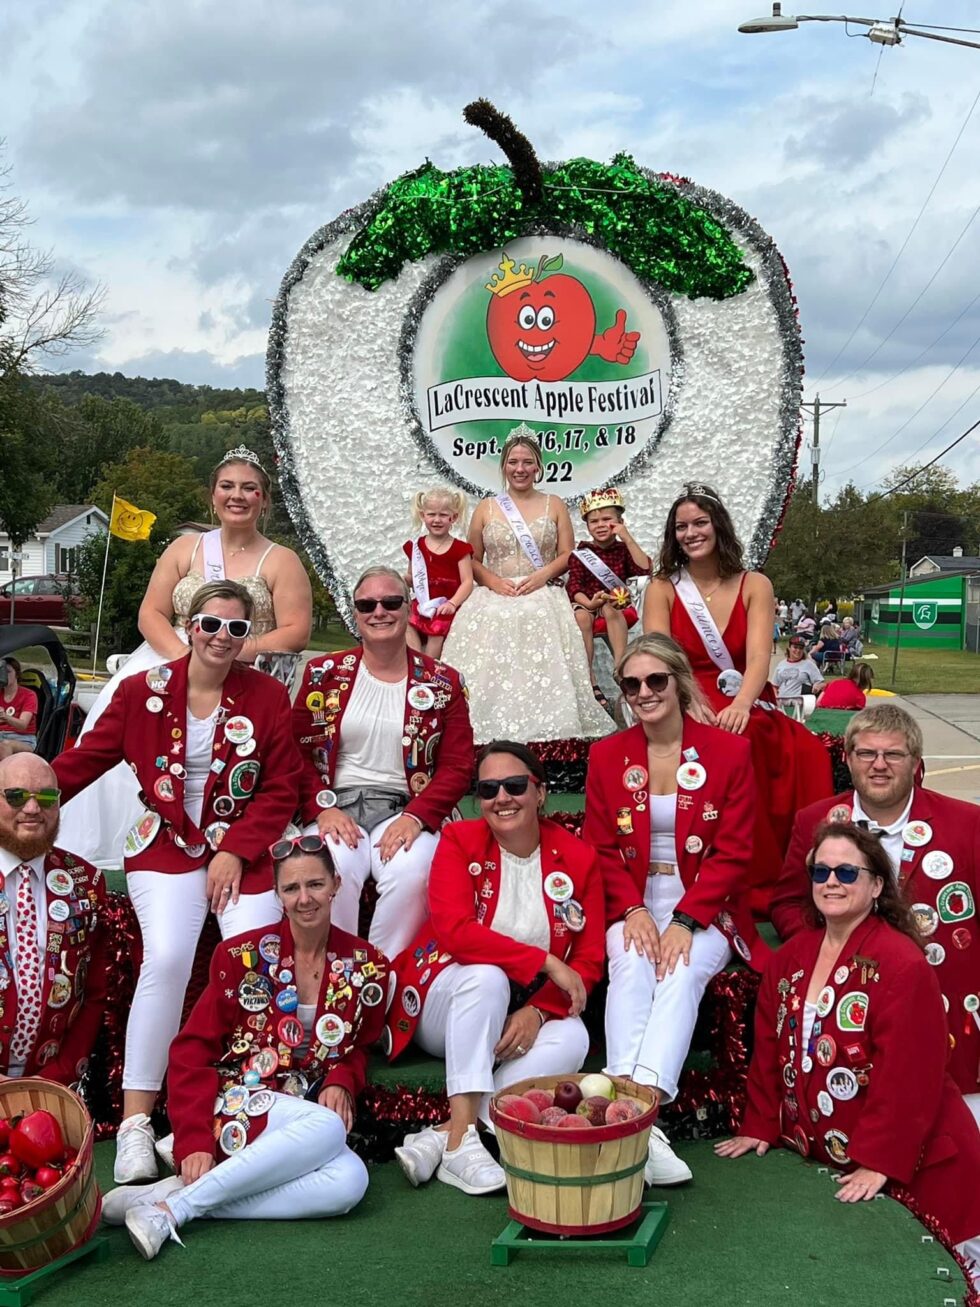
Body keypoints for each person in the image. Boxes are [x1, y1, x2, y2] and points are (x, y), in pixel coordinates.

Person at [53, 580, 302, 1184]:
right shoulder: (143, 691)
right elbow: (86, 760)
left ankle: (252, 1101)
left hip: (243, 848)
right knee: (165, 957)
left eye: (237, 629)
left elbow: (281, 786)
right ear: (190, 626)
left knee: (254, 956)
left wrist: (237, 851)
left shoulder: (267, 695)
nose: (222, 638)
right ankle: (138, 1124)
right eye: (211, 625)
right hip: (164, 844)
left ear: (248, 639)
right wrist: (25, 798)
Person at [717, 823, 980, 1291]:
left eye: (845, 871)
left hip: (923, 1170)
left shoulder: (902, 962)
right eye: (820, 871)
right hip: (840, 1161)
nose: (831, 881)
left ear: (877, 885)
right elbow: (768, 1050)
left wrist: (880, 1160)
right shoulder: (790, 956)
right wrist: (759, 1124)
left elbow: (910, 1077)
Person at [101, 835, 383, 1261]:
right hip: (240, 1102)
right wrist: (193, 1140)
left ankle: (176, 1201)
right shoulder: (241, 956)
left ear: (337, 885)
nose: (304, 899)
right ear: (277, 895)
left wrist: (343, 1078)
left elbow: (360, 1046)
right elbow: (190, 1050)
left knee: (350, 1182)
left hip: (300, 1116)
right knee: (326, 1128)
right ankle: (175, 1208)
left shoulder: (368, 965)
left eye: (315, 885)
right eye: (291, 888)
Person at [60, 445, 313, 869]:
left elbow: (296, 631)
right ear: (212, 495)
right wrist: (185, 659)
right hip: (166, 661)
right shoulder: (185, 549)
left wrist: (228, 653)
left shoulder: (281, 560)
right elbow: (151, 612)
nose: (238, 495)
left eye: (250, 488)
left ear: (264, 500)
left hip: (243, 673)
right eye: (227, 486)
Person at [583, 633, 762, 1185]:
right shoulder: (607, 755)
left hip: (705, 901)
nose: (644, 692)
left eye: (655, 680)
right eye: (631, 684)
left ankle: (634, 1111)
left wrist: (686, 919)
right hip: (632, 899)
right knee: (632, 964)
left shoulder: (728, 751)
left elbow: (735, 852)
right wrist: (634, 910)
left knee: (679, 971)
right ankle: (637, 1124)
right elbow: (600, 848)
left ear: (679, 682)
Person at [388, 741, 604, 1196]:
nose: (502, 797)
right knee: (485, 977)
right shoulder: (458, 840)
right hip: (447, 996)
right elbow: (456, 933)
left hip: (519, 1009)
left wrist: (539, 1013)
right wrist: (545, 962)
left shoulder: (578, 856)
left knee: (574, 1036)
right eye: (488, 789)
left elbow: (587, 959)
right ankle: (465, 1139)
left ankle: (447, 1135)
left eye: (515, 785)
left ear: (541, 792)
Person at [771, 703, 980, 1120]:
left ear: (916, 763)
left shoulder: (967, 823)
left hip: (949, 1013)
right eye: (867, 754)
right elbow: (786, 903)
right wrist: (833, 949)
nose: (879, 765)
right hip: (851, 1008)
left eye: (894, 755)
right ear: (847, 758)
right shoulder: (814, 821)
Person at [642, 483, 833, 913]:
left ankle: (762, 875)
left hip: (746, 692)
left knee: (765, 740)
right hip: (681, 693)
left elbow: (760, 656)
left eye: (700, 523)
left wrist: (743, 704)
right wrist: (689, 702)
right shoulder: (662, 588)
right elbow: (658, 657)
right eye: (681, 527)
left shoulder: (755, 583)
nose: (691, 533)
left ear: (718, 526)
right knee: (696, 742)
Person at [292, 566, 473, 960]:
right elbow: (297, 753)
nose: (379, 611)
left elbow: (458, 766)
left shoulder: (443, 682)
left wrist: (418, 816)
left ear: (408, 609)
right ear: (354, 613)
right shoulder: (322, 674)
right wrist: (321, 809)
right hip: (336, 805)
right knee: (329, 865)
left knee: (415, 870)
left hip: (405, 808)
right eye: (366, 604)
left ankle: (380, 978)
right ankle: (331, 974)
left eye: (391, 602)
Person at [441, 424, 614, 744]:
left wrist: (541, 576)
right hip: (495, 592)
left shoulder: (555, 504)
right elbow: (471, 558)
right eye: (513, 462)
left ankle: (550, 734)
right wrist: (492, 581)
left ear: (538, 467)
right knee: (494, 621)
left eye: (527, 462)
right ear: (504, 466)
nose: (520, 469)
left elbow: (567, 553)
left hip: (542, 589)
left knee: (539, 618)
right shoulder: (487, 507)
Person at [0, 753, 106, 1083]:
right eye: (16, 796)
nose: (32, 809)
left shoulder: (85, 882)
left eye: (46, 797)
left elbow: (96, 995)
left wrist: (57, 1077)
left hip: (49, 1086)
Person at [566, 487, 651, 710]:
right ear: (586, 526)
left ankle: (620, 668)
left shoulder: (623, 550)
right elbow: (574, 586)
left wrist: (627, 537)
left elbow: (644, 569)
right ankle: (588, 677)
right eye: (594, 521)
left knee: (612, 610)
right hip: (587, 602)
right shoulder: (580, 554)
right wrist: (589, 602)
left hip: (614, 604)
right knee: (582, 618)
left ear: (620, 520)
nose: (601, 525)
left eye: (607, 519)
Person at [402, 487, 474, 659]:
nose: (436, 520)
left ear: (453, 518)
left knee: (437, 630)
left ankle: (429, 667)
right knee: (404, 619)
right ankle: (416, 661)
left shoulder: (460, 549)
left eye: (443, 515)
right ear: (422, 515)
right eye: (431, 514)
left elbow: (467, 582)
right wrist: (404, 580)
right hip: (422, 603)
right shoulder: (415, 547)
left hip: (445, 607)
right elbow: (412, 578)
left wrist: (452, 604)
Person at [0, 659, 38, 759]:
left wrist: (5, 716)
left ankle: (4, 774)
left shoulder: (29, 695)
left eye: (7, 672)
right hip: (1, 734)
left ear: (17, 674)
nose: (4, 675)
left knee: (4, 745)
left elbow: (22, 725)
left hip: (23, 738)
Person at [771, 637, 825, 701]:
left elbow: (821, 683)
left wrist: (817, 686)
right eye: (795, 647)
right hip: (782, 703)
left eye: (801, 648)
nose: (798, 650)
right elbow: (774, 686)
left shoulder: (809, 664)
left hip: (800, 704)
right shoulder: (781, 665)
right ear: (789, 647)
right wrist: (775, 699)